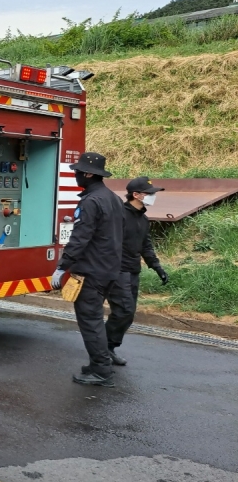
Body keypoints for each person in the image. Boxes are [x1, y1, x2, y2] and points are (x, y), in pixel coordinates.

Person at [51, 152, 123, 387]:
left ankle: (101, 371)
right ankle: (97, 364)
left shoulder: (91, 202)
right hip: (109, 269)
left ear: (89, 174)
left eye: (78, 172)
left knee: (90, 321)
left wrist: (62, 267)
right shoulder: (112, 198)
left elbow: (80, 238)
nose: (76, 175)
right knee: (94, 319)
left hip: (91, 272)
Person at [105, 177, 170, 366]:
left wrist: (157, 267)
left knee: (129, 313)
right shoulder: (119, 216)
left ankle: (108, 346)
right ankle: (103, 347)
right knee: (124, 310)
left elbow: (146, 246)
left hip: (133, 270)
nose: (153, 196)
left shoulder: (143, 218)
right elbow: (107, 243)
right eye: (149, 193)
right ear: (136, 195)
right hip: (117, 271)